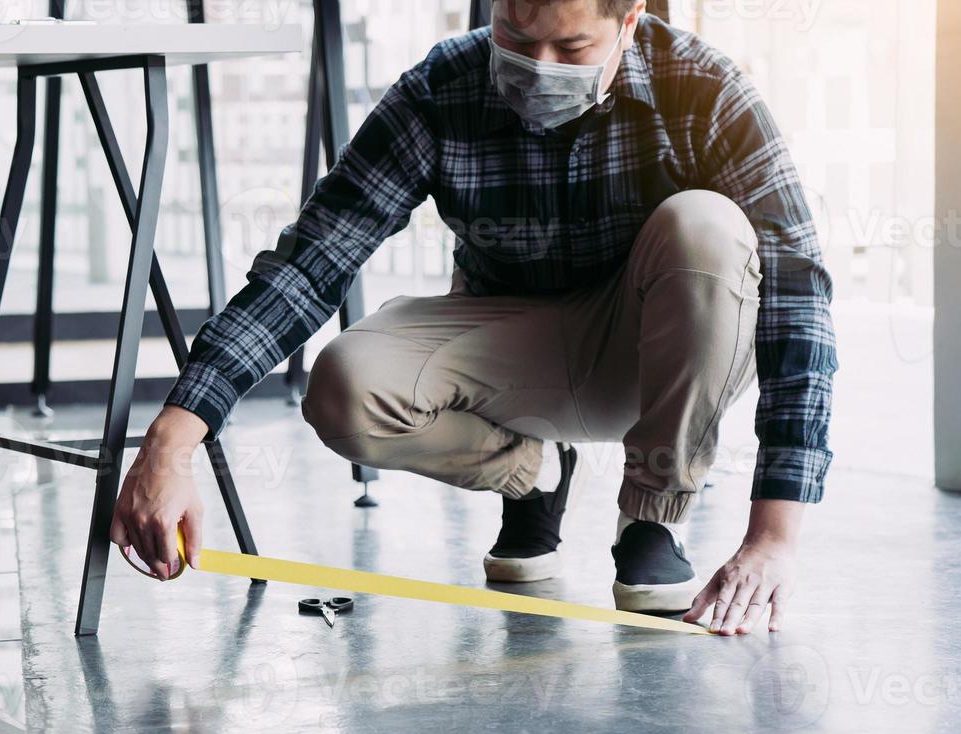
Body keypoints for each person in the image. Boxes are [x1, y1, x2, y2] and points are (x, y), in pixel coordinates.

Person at [110, 0, 836, 637]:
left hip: (654, 350)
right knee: (344, 386)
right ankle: (535, 476)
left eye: (572, 48)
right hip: (510, 356)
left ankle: (652, 510)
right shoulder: (441, 88)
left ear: (631, 20)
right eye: (516, 36)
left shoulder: (703, 85)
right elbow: (312, 261)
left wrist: (774, 535)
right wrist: (171, 441)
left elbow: (799, 297)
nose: (537, 67)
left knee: (708, 229)